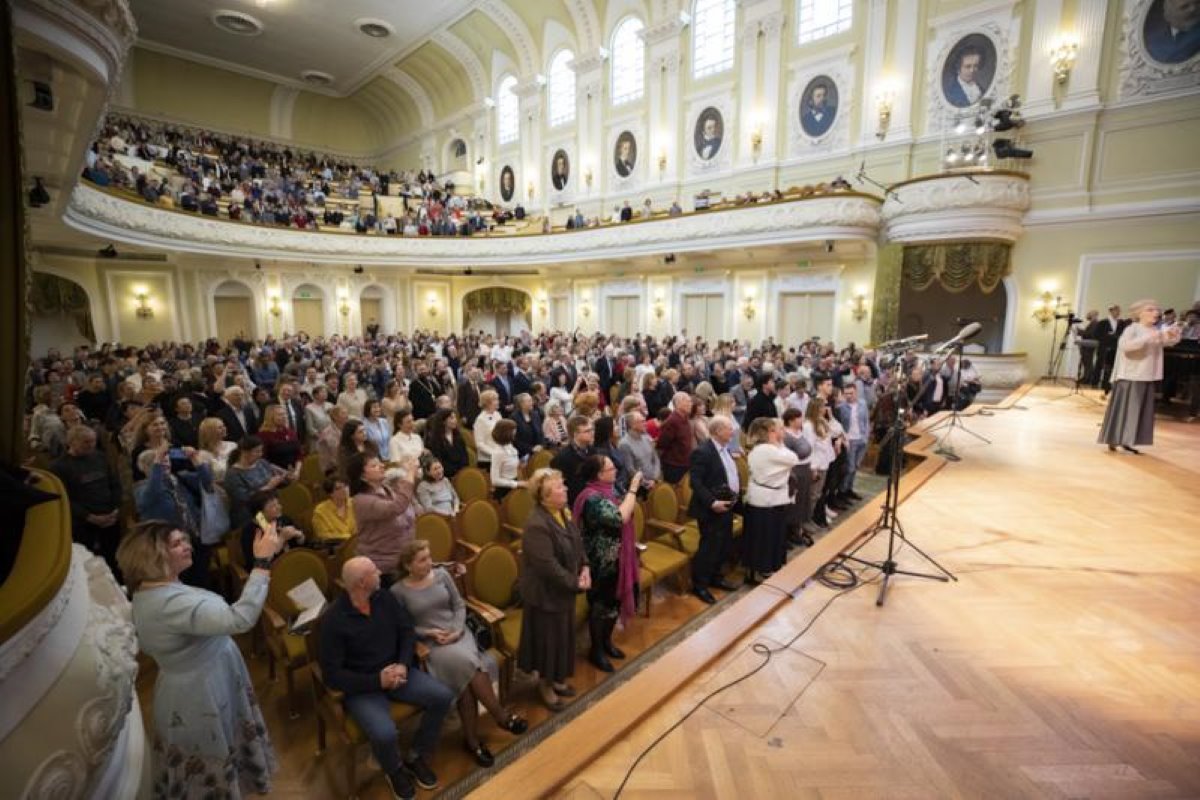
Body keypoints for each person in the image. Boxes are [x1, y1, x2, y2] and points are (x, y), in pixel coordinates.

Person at [121, 519, 283, 798]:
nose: (187, 546)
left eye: (184, 539)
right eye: (176, 543)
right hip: (199, 691)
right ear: (152, 555)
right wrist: (262, 562)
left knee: (228, 741)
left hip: (209, 675)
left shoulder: (158, 587)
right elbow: (240, 618)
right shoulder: (169, 603)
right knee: (211, 761)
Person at [317, 556, 454, 798]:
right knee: (384, 733)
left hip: (399, 673)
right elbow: (332, 675)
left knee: (442, 697)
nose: (380, 572)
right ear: (361, 583)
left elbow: (406, 632)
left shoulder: (384, 598)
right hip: (364, 686)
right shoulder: (333, 621)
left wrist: (402, 664)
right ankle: (394, 769)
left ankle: (416, 756)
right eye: (374, 571)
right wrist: (377, 681)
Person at [391, 540, 528, 768]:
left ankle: (474, 741)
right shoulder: (398, 591)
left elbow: (459, 605)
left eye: (429, 556)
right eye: (422, 560)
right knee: (469, 672)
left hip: (459, 634)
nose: (429, 562)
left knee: (467, 669)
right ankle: (500, 717)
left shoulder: (442, 575)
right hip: (431, 645)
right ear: (408, 565)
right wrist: (429, 632)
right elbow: (402, 627)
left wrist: (455, 630)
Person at [518, 468, 590, 710]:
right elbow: (547, 566)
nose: (566, 489)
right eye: (560, 487)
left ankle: (557, 680)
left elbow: (577, 543)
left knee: (562, 639)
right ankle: (545, 686)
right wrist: (575, 583)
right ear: (545, 496)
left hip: (563, 590)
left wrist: (585, 567)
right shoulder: (537, 525)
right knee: (549, 643)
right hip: (545, 594)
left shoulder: (561, 512)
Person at [573, 456, 643, 672]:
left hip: (617, 559)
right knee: (601, 607)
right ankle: (596, 651)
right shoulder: (592, 498)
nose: (616, 470)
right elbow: (619, 517)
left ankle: (606, 642)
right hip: (601, 563)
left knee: (614, 603)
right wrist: (632, 489)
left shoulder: (607, 491)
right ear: (600, 475)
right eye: (611, 468)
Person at [1099, 299, 1181, 453]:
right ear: (1139, 313)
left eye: (1156, 310)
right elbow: (1125, 346)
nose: (1156, 313)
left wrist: (1174, 335)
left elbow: (1167, 342)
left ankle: (1128, 440)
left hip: (1147, 375)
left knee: (1140, 410)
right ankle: (1117, 438)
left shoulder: (1154, 330)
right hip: (1132, 375)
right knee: (1128, 408)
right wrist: (1153, 336)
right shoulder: (1133, 328)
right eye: (1150, 310)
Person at [51, 425, 123, 575]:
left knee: (114, 558)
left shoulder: (100, 457)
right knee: (86, 562)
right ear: (71, 442)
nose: (91, 445)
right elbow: (64, 499)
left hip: (110, 518)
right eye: (86, 442)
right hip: (83, 523)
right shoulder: (59, 466)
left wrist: (115, 508)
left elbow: (114, 483)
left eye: (93, 441)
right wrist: (89, 517)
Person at [687, 415, 741, 604]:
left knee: (723, 544)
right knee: (709, 548)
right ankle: (700, 585)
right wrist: (712, 502)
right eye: (728, 428)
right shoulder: (703, 452)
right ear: (718, 431)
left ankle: (715, 577)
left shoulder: (725, 449)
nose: (732, 431)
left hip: (726, 505)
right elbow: (695, 482)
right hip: (710, 509)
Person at [743, 418, 800, 585]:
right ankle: (763, 568)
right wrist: (778, 444)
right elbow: (793, 458)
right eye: (778, 430)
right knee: (765, 537)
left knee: (775, 534)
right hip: (764, 500)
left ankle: (772, 565)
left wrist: (778, 443)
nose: (782, 433)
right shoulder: (766, 450)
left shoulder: (770, 449)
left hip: (774, 498)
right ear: (770, 433)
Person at [348, 452, 418, 582]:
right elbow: (396, 507)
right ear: (362, 475)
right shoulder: (361, 500)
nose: (381, 466)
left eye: (380, 462)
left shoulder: (388, 489)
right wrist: (409, 474)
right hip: (383, 568)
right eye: (374, 465)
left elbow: (407, 512)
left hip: (404, 560)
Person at [550, 415, 596, 506]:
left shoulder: (593, 451)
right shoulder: (562, 458)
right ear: (575, 434)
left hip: (594, 497)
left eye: (592, 429)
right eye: (587, 431)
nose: (592, 433)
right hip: (576, 503)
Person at [656, 392, 694, 483]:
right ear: (678, 403)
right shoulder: (672, 422)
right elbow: (662, 444)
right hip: (674, 466)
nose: (691, 404)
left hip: (685, 463)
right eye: (688, 401)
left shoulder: (685, 419)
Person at [618, 410, 661, 489]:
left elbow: (655, 459)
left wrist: (655, 478)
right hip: (639, 488)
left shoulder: (647, 438)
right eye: (642, 421)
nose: (645, 424)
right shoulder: (624, 444)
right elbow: (630, 469)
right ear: (632, 425)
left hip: (654, 482)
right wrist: (646, 483)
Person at [424, 408, 469, 478]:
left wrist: (461, 471)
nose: (455, 420)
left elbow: (464, 457)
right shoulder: (435, 440)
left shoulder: (458, 437)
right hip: (445, 475)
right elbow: (438, 459)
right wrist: (453, 472)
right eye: (451, 418)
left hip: (461, 473)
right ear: (443, 421)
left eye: (455, 418)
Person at [258, 402, 302, 468]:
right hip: (275, 474)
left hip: (294, 471)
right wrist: (284, 473)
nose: (284, 417)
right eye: (280, 415)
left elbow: (299, 454)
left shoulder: (290, 432)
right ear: (270, 417)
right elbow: (263, 460)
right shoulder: (263, 435)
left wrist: (297, 470)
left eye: (285, 414)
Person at [312, 476, 357, 541]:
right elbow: (324, 536)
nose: (345, 490)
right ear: (331, 493)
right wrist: (351, 539)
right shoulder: (320, 511)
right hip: (336, 548)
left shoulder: (355, 504)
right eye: (338, 488)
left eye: (346, 486)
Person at [488, 419, 523, 500]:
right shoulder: (498, 453)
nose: (515, 433)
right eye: (513, 431)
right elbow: (495, 480)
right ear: (506, 433)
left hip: (514, 484)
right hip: (504, 491)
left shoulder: (509, 445)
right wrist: (516, 484)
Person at [473, 389, 502, 469]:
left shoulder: (497, 414)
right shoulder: (480, 420)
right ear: (487, 403)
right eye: (495, 400)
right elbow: (479, 444)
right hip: (487, 460)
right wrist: (494, 453)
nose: (498, 402)